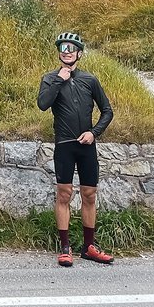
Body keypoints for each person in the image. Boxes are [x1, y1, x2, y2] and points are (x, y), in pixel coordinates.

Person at [37, 31, 115, 267]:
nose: (67, 52)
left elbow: (107, 110)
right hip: (64, 145)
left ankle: (89, 246)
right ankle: (65, 247)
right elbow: (43, 104)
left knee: (89, 195)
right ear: (59, 53)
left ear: (79, 53)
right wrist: (60, 79)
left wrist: (94, 132)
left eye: (71, 48)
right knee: (64, 194)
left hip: (87, 145)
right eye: (63, 48)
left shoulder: (89, 80)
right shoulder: (50, 78)